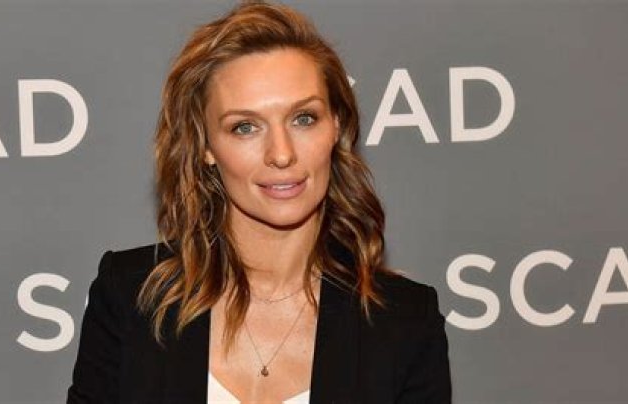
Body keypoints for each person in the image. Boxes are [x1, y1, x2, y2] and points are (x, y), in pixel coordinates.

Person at [67, 1, 451, 403]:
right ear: (205, 146)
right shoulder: (131, 297)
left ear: (336, 126)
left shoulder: (405, 321)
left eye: (303, 118)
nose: (281, 154)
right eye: (245, 127)